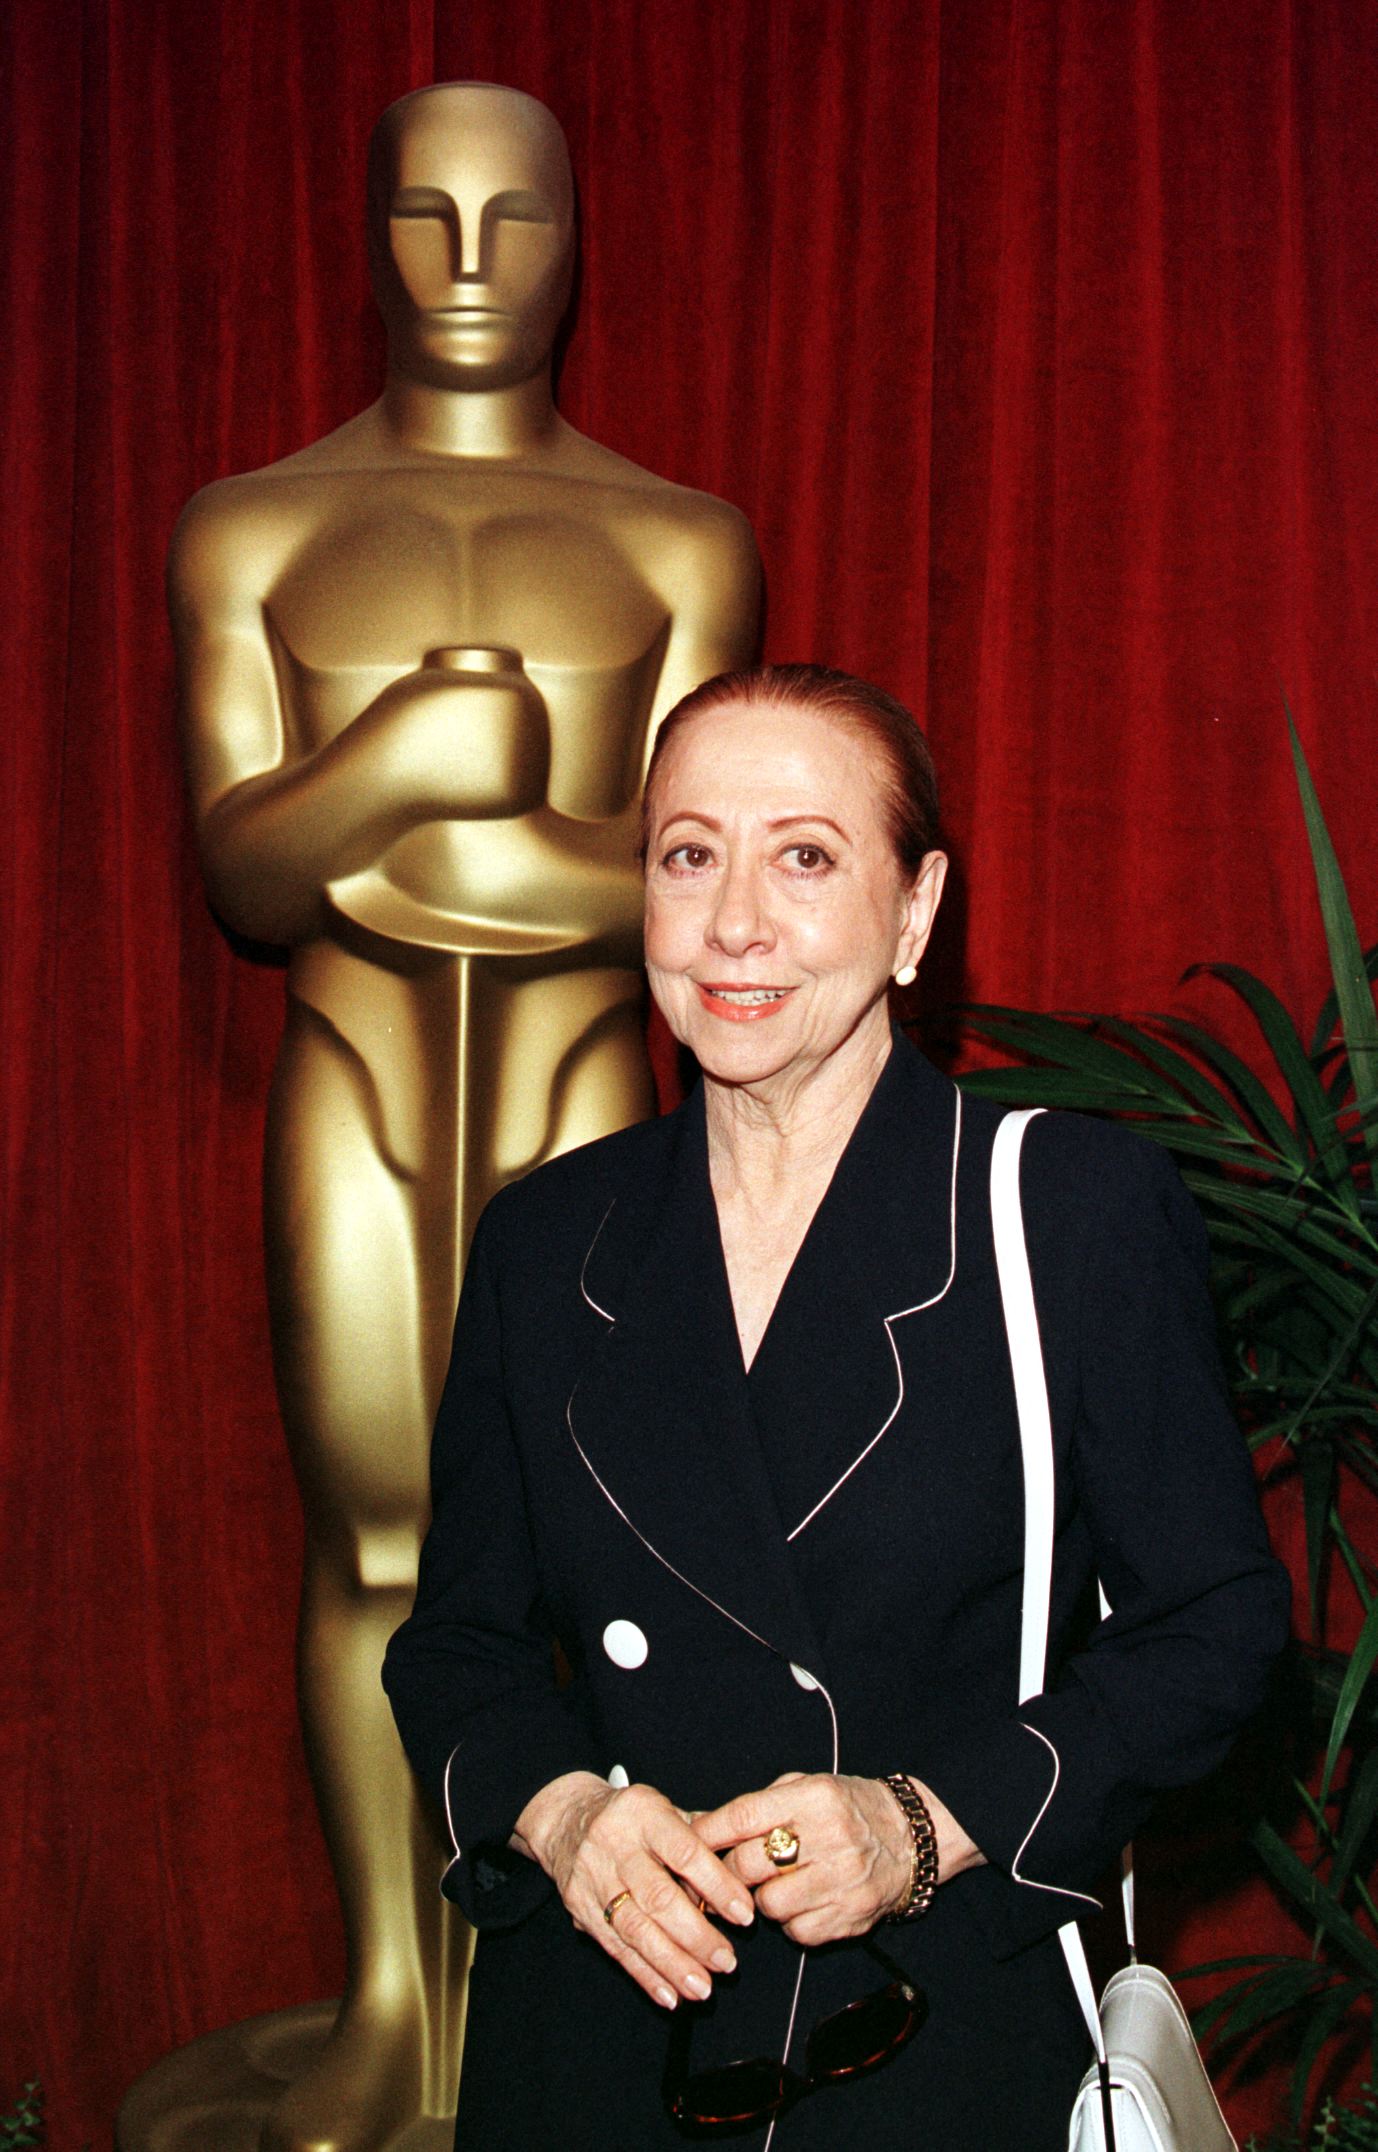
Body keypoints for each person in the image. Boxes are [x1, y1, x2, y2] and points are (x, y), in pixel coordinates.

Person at [383, 662, 1290, 2149]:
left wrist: (919, 1824)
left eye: (803, 856)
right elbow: (456, 1645)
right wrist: (561, 1815)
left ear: (914, 913)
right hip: (604, 2030)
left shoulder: (1060, 1211)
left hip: (938, 2023)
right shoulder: (549, 1239)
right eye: (690, 855)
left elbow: (1219, 1627)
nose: (735, 920)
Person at [169, 82, 757, 2150]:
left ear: (579, 228)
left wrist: (441, 841)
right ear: (373, 235)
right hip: (351, 1080)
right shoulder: (251, 526)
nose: (475, 259)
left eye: (515, 214)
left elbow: (695, 890)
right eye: (427, 214)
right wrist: (418, 747)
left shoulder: (676, 540)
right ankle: (391, 2014)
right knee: (377, 1546)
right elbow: (244, 872)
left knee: (596, 1554)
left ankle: (542, 2017)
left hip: (591, 1097)